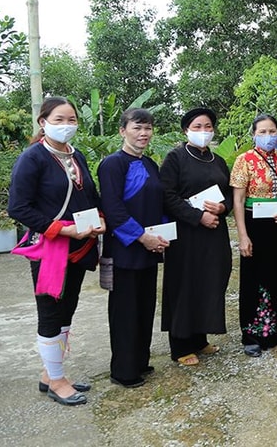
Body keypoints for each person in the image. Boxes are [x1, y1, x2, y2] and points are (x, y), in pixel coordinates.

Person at [8, 96, 104, 406]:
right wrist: (61, 229)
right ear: (43, 122)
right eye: (59, 119)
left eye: (71, 120)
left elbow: (90, 194)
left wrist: (100, 218)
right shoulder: (32, 158)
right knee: (50, 313)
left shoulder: (77, 157)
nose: (66, 125)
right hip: (51, 249)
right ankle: (57, 380)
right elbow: (18, 207)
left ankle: (51, 372)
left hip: (81, 244)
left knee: (67, 312)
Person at [97, 107, 168, 388]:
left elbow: (158, 204)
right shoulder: (112, 164)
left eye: (148, 128)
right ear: (122, 130)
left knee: (144, 307)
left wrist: (162, 234)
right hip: (125, 249)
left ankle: (140, 360)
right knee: (125, 311)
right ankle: (123, 370)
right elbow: (113, 210)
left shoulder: (150, 164)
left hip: (149, 249)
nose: (143, 133)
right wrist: (141, 237)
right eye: (137, 127)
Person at [159, 107, 233, 366]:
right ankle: (180, 345)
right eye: (198, 126)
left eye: (208, 127)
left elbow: (230, 195)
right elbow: (167, 195)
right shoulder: (175, 158)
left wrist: (223, 208)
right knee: (185, 285)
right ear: (186, 130)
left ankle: (199, 338)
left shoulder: (218, 161)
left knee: (210, 281)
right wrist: (197, 216)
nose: (204, 131)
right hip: (187, 233)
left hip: (215, 232)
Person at [230, 114, 277, 357]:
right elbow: (237, 200)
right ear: (254, 135)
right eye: (263, 132)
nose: (269, 136)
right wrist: (243, 236)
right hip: (254, 224)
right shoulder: (244, 160)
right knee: (254, 279)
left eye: (273, 131)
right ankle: (252, 334)